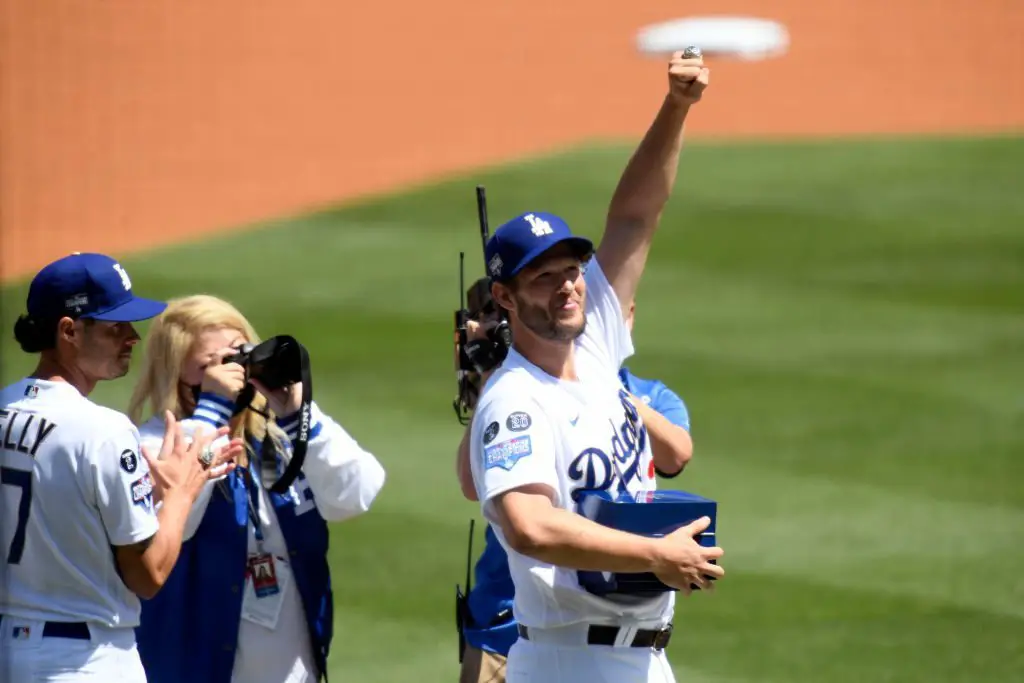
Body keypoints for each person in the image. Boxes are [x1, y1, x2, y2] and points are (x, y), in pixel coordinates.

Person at [466, 50, 724, 683]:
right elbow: (529, 526)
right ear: (504, 297)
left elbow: (635, 215)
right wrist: (653, 553)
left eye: (573, 272)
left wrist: (676, 106)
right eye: (544, 278)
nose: (567, 288)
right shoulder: (513, 401)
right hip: (569, 661)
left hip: (642, 658)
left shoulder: (597, 346)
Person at [0, 252, 242, 683]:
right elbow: (148, 574)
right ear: (69, 331)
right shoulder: (104, 431)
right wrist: (183, 489)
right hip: (84, 662)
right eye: (115, 328)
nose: (132, 337)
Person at [126, 294, 388, 683]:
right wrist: (212, 410)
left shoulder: (283, 443)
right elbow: (170, 520)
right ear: (177, 376)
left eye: (238, 356)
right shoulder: (152, 446)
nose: (231, 374)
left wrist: (302, 416)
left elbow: (357, 494)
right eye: (209, 366)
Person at [455, 291, 694, 683]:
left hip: (621, 631)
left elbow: (678, 453)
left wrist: (602, 388)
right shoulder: (517, 390)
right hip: (504, 622)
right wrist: (490, 375)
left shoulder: (647, 393)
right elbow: (470, 484)